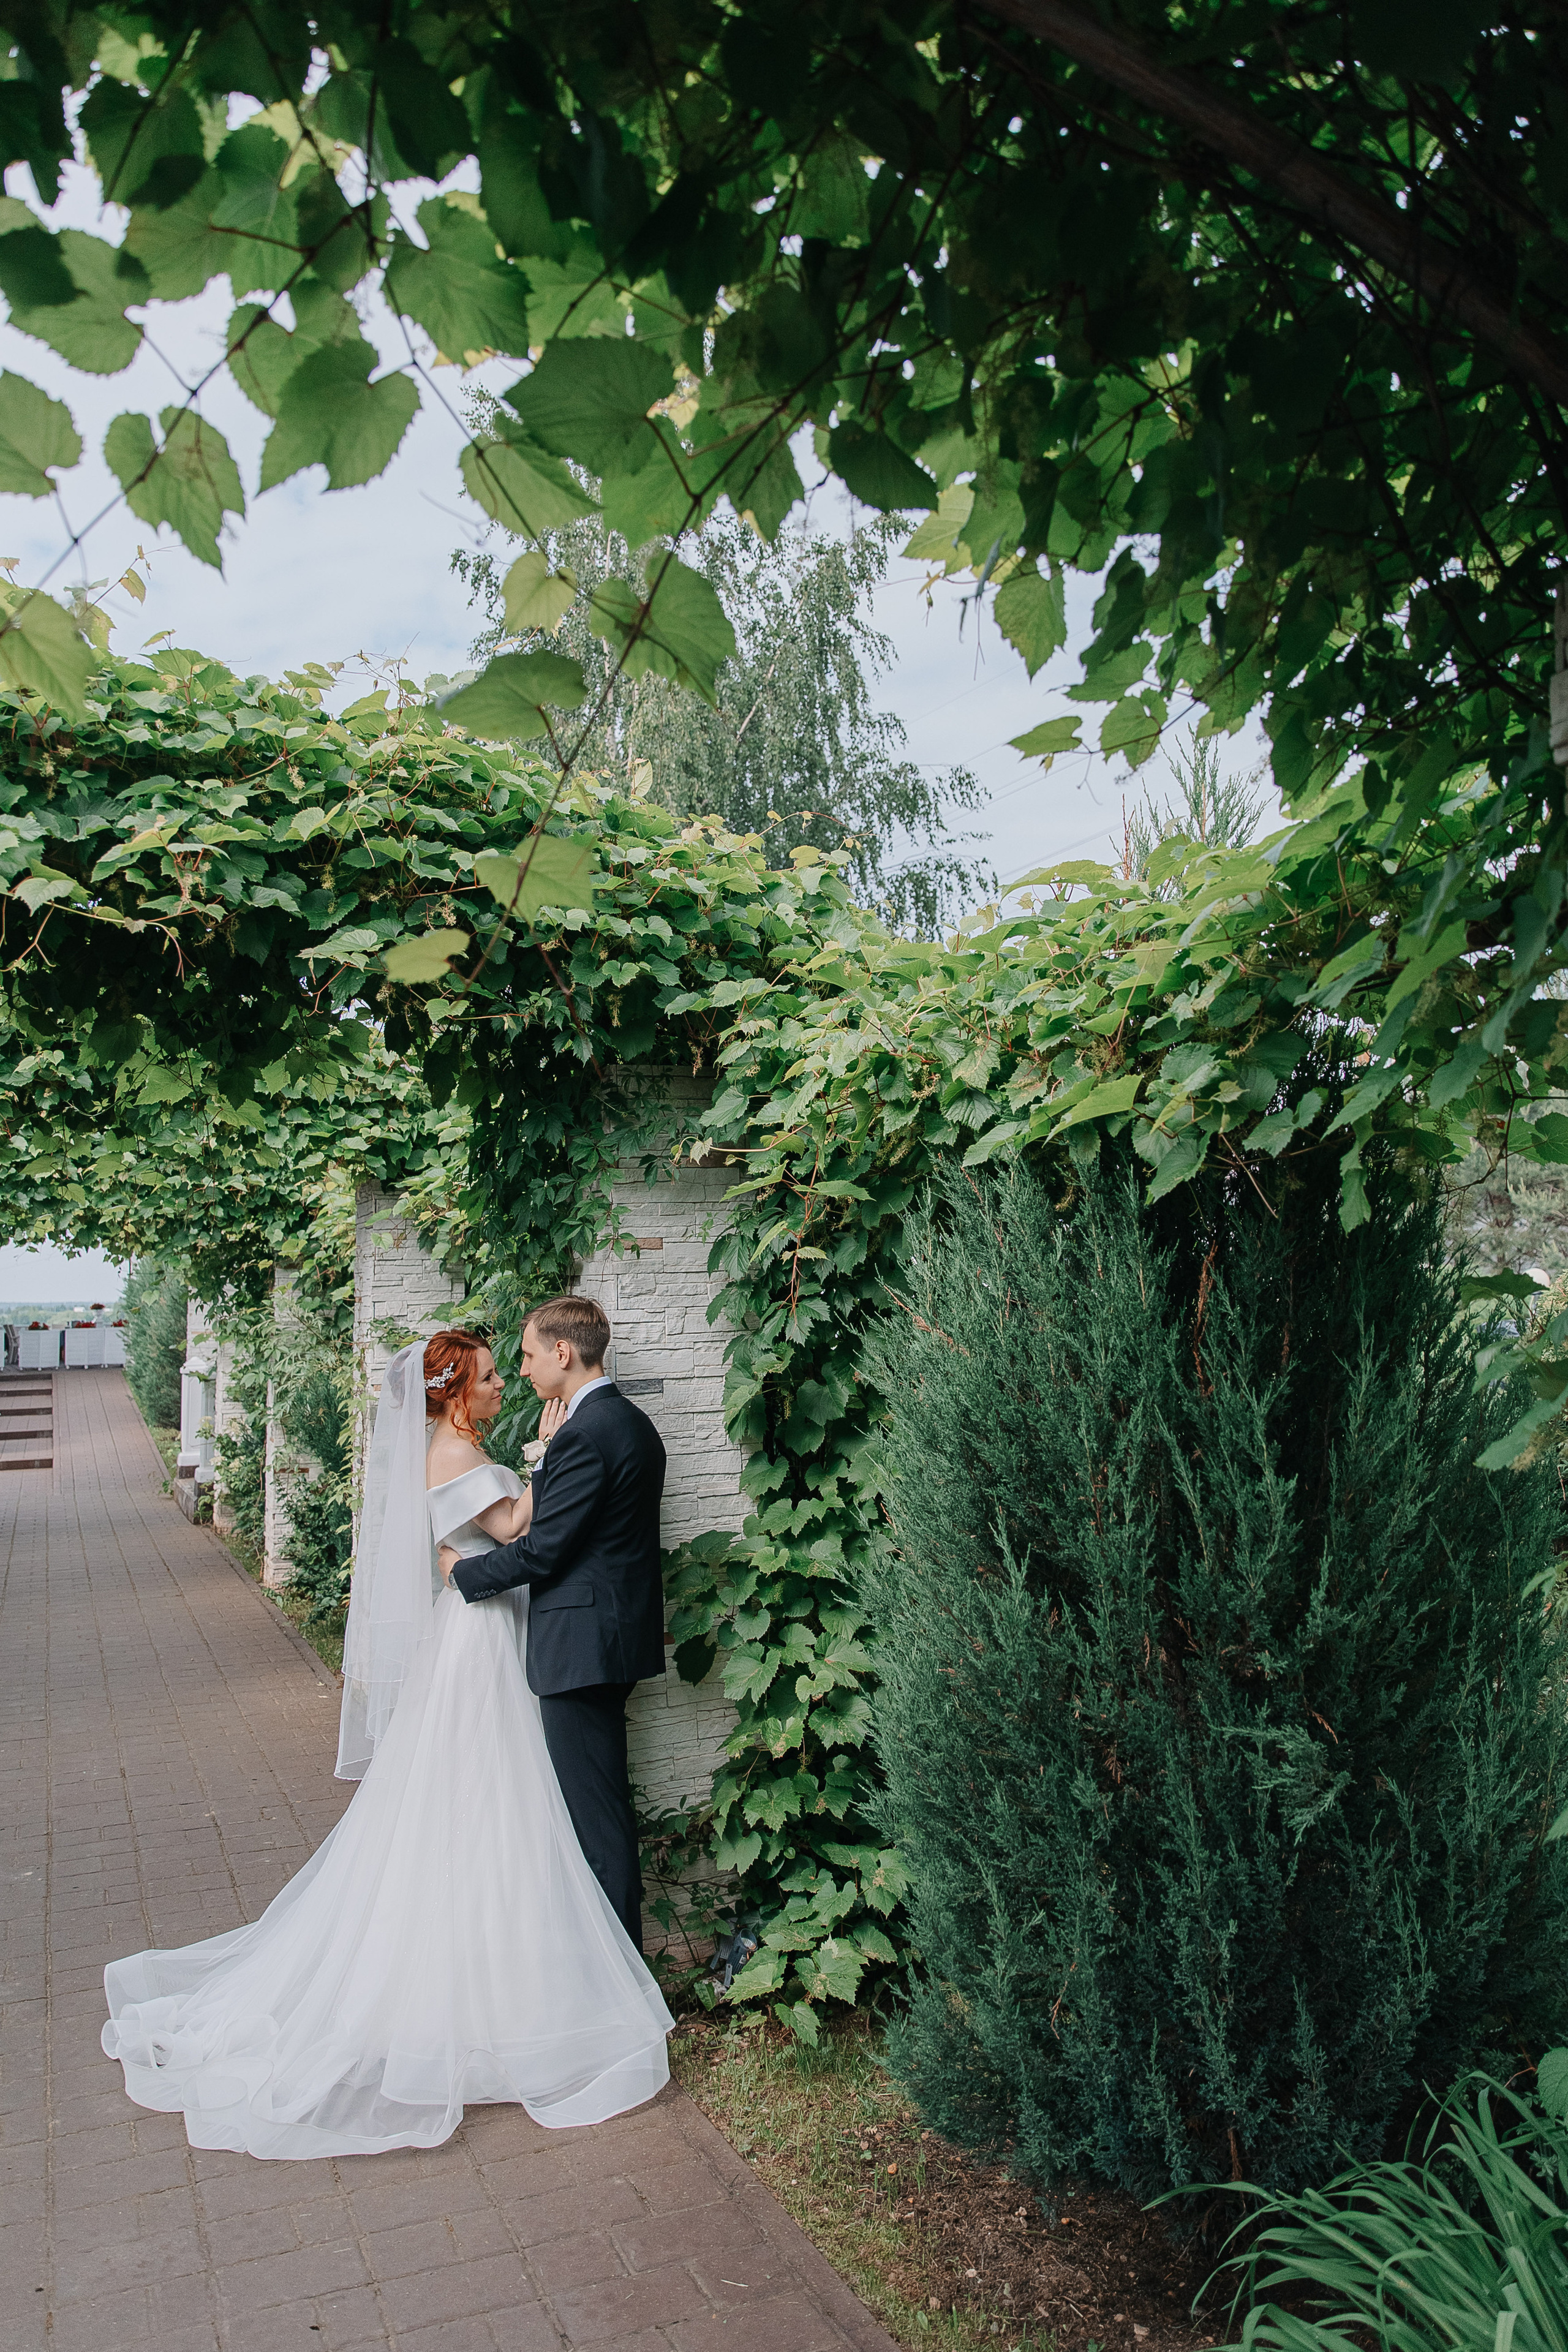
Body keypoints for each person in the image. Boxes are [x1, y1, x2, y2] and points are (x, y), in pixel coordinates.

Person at [100, 1329, 673, 2160]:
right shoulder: (452, 1450)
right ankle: (521, 1988)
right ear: (452, 1395)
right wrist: (543, 1459)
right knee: (492, 1796)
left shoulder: (470, 1442)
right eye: (484, 1379)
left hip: (502, 1632)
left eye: (503, 1369)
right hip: (481, 1640)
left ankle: (543, 1972)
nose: (501, 1385)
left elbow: (507, 1536)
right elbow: (514, 1527)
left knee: (511, 1804)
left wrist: (535, 1464)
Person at [440, 1295, 667, 1950]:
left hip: (582, 1649)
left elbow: (544, 1550)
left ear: (563, 1352)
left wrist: (462, 1575)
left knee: (596, 1824)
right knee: (599, 1811)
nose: (526, 1369)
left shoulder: (587, 1435)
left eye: (529, 1355)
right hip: (609, 1638)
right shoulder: (627, 1423)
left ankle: (621, 1981)